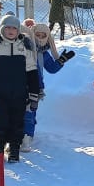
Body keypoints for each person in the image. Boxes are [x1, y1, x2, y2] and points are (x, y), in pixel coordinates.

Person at [0, 15, 41, 163]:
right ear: (2, 29)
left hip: (20, 94)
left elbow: (32, 72)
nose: (11, 31)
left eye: (14, 28)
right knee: (0, 122)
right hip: (0, 94)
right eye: (7, 27)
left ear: (18, 30)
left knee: (17, 122)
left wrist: (34, 94)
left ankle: (14, 150)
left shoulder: (25, 47)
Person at [22, 22, 74, 151]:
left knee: (30, 113)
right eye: (37, 35)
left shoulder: (44, 53)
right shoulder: (24, 49)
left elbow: (51, 68)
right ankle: (16, 137)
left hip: (36, 88)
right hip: (20, 86)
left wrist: (61, 60)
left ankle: (27, 138)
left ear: (48, 37)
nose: (40, 38)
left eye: (43, 35)